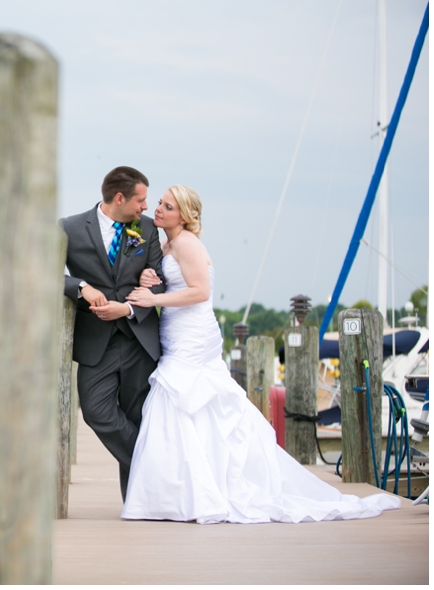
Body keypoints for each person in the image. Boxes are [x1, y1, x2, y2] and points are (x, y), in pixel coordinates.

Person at [122, 184, 401, 523]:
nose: (159, 209)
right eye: (160, 204)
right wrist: (150, 278)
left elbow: (200, 292)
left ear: (185, 214)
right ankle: (183, 491)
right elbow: (171, 279)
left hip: (193, 333)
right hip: (177, 331)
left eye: (167, 206)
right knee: (184, 402)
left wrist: (153, 300)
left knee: (185, 396)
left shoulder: (187, 243)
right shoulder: (168, 244)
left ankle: (202, 491)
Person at [60, 166, 166, 499]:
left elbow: (161, 278)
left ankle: (139, 503)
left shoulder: (146, 230)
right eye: (141, 200)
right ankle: (160, 472)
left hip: (140, 339)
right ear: (119, 198)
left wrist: (145, 286)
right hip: (96, 342)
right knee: (96, 410)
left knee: (137, 417)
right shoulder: (69, 229)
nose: (146, 208)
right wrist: (80, 286)